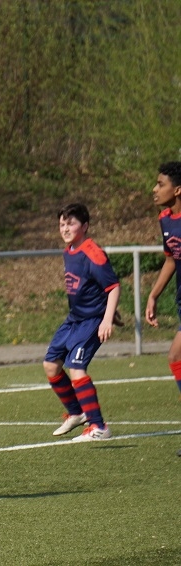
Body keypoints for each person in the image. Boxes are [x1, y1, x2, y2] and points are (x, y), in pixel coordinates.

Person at [45, 203, 119, 442]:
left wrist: (107, 318)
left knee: (76, 368)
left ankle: (99, 427)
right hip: (74, 319)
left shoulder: (93, 253)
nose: (65, 229)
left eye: (71, 224)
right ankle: (77, 412)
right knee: (51, 366)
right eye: (62, 224)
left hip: (91, 321)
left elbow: (113, 286)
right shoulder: (69, 251)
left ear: (85, 226)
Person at [144, 161, 181, 456]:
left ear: (177, 190)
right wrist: (154, 295)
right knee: (176, 357)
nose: (154, 189)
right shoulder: (166, 219)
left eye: (160, 184)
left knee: (176, 356)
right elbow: (171, 259)